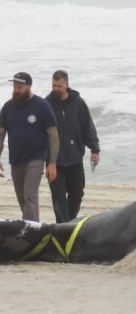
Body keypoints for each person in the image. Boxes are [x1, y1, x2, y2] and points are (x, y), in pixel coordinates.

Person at [0, 72, 59, 222]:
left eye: (20, 87)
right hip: (16, 159)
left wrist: (52, 163)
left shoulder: (42, 106)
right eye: (15, 87)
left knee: (29, 195)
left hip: (36, 158)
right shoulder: (8, 107)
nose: (16, 90)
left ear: (29, 86)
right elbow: (0, 135)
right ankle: (31, 224)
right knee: (21, 197)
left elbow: (53, 136)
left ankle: (30, 231)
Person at [45, 70, 101, 223]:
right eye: (53, 85)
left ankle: (69, 223)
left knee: (77, 195)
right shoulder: (46, 104)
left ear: (67, 85)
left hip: (75, 159)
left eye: (59, 86)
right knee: (59, 198)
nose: (56, 89)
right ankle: (62, 227)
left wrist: (94, 149)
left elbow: (87, 127)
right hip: (54, 162)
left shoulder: (78, 103)